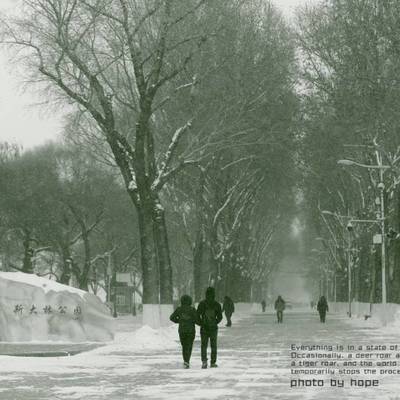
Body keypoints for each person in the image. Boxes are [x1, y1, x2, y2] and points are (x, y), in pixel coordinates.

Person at [197, 287, 223, 369]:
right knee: (213, 345)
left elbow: (197, 315)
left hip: (204, 328)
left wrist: (201, 323)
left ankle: (204, 361)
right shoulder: (217, 304)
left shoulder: (202, 304)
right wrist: (215, 322)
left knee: (203, 345)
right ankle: (213, 362)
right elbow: (220, 317)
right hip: (213, 328)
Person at [170, 294, 198, 369]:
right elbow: (197, 320)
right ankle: (187, 360)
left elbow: (171, 318)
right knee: (189, 345)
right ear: (190, 301)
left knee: (184, 346)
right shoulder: (192, 309)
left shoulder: (179, 309)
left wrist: (179, 321)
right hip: (191, 330)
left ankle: (185, 361)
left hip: (182, 330)